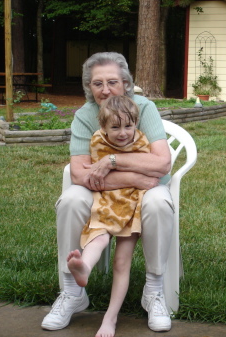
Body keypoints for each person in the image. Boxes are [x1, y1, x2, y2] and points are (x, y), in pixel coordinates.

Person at [42, 52, 174, 333]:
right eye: (97, 83)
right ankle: (72, 292)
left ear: (126, 83)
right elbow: (79, 174)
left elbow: (161, 163)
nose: (105, 90)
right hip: (109, 192)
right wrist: (137, 176)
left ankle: (154, 290)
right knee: (70, 200)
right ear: (88, 87)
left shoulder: (144, 108)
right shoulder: (84, 116)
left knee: (160, 201)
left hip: (145, 192)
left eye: (112, 82)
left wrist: (111, 162)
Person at [66, 95, 151, 336]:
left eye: (128, 125)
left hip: (132, 205)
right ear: (103, 127)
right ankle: (84, 267)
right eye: (115, 127)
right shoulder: (97, 142)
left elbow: (149, 170)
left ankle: (110, 318)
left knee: (121, 262)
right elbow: (92, 176)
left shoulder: (142, 142)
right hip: (105, 202)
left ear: (135, 123)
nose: (123, 133)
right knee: (99, 238)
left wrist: (115, 167)